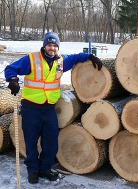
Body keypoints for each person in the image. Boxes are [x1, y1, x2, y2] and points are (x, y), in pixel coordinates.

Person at [4, 32, 102, 184]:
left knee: (50, 143)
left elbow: (76, 57)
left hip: (49, 109)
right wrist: (12, 80)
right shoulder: (32, 59)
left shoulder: (61, 61)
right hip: (31, 109)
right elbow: (10, 68)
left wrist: (90, 56)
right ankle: (33, 171)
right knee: (31, 142)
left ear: (58, 47)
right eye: (49, 45)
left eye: (55, 45)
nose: (52, 48)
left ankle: (45, 169)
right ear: (44, 46)